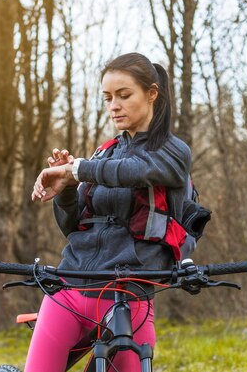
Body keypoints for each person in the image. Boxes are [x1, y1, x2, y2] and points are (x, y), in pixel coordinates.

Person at [26, 52, 192, 372]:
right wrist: (67, 190)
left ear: (152, 93)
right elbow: (74, 226)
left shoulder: (172, 152)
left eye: (124, 95)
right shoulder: (103, 153)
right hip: (71, 288)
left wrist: (79, 169)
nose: (113, 105)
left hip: (128, 300)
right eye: (107, 98)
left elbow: (137, 170)